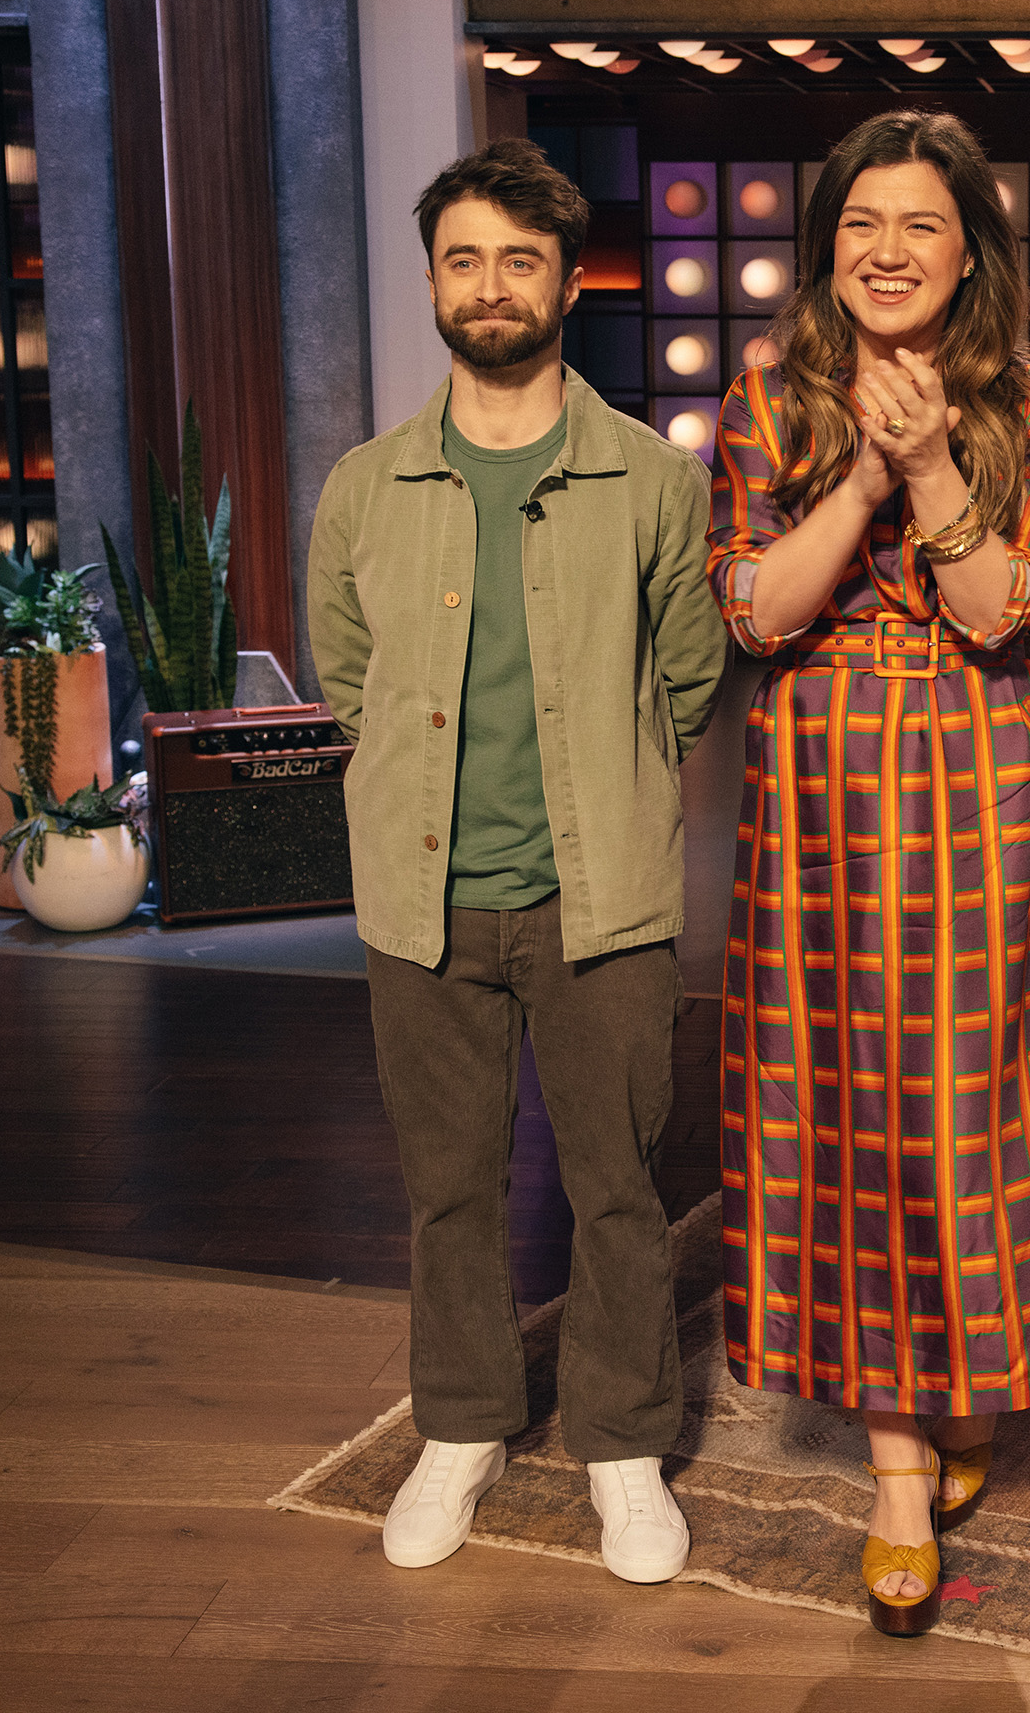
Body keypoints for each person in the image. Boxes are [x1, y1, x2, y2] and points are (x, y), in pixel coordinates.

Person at [708, 109, 1030, 1638]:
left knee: (969, 1106)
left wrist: (944, 455)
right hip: (819, 788)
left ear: (972, 253)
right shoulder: (769, 400)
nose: (889, 253)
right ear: (829, 251)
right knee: (845, 1109)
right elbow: (757, 615)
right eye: (861, 228)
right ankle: (899, 1473)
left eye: (923, 228)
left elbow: (1005, 609)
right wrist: (871, 479)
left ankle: (963, 1383)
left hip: (981, 785)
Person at [308, 140, 727, 1583]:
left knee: (618, 1184)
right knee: (448, 1186)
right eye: (464, 259)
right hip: (420, 905)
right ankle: (464, 1428)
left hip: (599, 900)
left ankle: (622, 1449)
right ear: (434, 279)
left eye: (520, 260)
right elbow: (348, 675)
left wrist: (603, 797)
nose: (490, 288)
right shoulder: (366, 487)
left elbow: (687, 676)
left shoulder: (649, 484)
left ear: (569, 280)